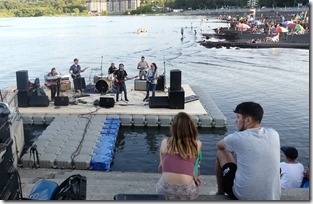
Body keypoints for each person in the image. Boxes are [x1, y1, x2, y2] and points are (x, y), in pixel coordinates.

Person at [215, 101, 281, 200]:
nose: (236, 121)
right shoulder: (274, 134)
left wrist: (231, 151)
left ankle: (220, 192)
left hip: (243, 196)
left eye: (238, 117)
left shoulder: (238, 137)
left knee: (220, 153)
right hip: (273, 197)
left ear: (248, 120)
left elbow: (219, 146)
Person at [156, 112, 202, 200]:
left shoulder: (164, 142)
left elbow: (162, 167)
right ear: (191, 128)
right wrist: (192, 175)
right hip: (186, 191)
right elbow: (187, 165)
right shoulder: (197, 144)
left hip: (165, 190)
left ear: (173, 128)